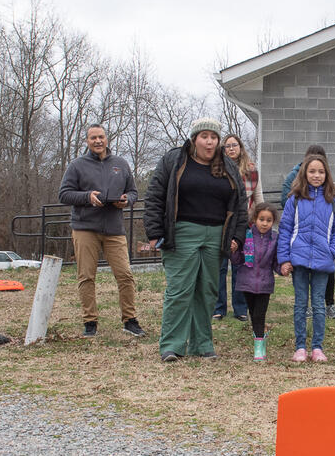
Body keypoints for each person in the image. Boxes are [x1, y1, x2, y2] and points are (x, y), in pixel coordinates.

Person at [144, 118, 246, 362]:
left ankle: (202, 343)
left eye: (213, 137)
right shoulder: (174, 160)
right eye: (204, 136)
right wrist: (154, 232)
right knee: (180, 290)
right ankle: (172, 345)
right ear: (194, 139)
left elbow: (241, 204)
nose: (209, 141)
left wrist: (237, 237)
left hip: (216, 234)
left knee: (208, 290)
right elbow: (155, 195)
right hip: (182, 232)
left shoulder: (228, 166)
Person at [58, 124, 145, 338]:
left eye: (101, 137)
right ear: (87, 141)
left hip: (114, 229)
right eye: (93, 138)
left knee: (125, 275)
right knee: (86, 277)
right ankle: (90, 322)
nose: (98, 141)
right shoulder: (77, 165)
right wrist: (87, 197)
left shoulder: (121, 164)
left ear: (107, 139)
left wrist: (127, 200)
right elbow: (64, 194)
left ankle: (130, 320)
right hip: (85, 228)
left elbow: (133, 191)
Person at [279, 153, 335, 363]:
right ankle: (300, 347)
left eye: (320, 171)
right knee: (300, 304)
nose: (316, 175)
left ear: (326, 173)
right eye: (312, 171)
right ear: (304, 173)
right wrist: (284, 258)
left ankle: (317, 347)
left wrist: (333, 250)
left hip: (322, 261)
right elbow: (285, 229)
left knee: (319, 304)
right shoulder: (295, 199)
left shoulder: (334, 201)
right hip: (298, 260)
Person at [282, 144, 335, 318]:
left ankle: (329, 304)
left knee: (326, 277)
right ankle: (304, 307)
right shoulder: (294, 178)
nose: (316, 174)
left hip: (323, 245)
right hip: (301, 242)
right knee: (301, 282)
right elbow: (287, 205)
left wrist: (333, 250)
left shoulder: (327, 184)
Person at [214, 134, 263, 321]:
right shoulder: (217, 169)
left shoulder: (251, 170)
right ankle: (218, 308)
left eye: (235, 145)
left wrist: (260, 221)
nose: (231, 149)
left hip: (245, 224)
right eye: (227, 146)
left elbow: (258, 199)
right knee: (219, 267)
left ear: (241, 148)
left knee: (240, 266)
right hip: (221, 223)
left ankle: (240, 309)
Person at [229, 202, 282, 361]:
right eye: (261, 219)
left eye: (269, 220)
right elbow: (238, 260)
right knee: (253, 313)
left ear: (273, 222)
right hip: (246, 282)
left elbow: (275, 262)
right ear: (255, 219)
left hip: (265, 284)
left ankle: (259, 347)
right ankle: (260, 336)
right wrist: (232, 251)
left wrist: (283, 269)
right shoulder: (245, 236)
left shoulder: (275, 238)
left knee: (260, 314)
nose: (265, 223)